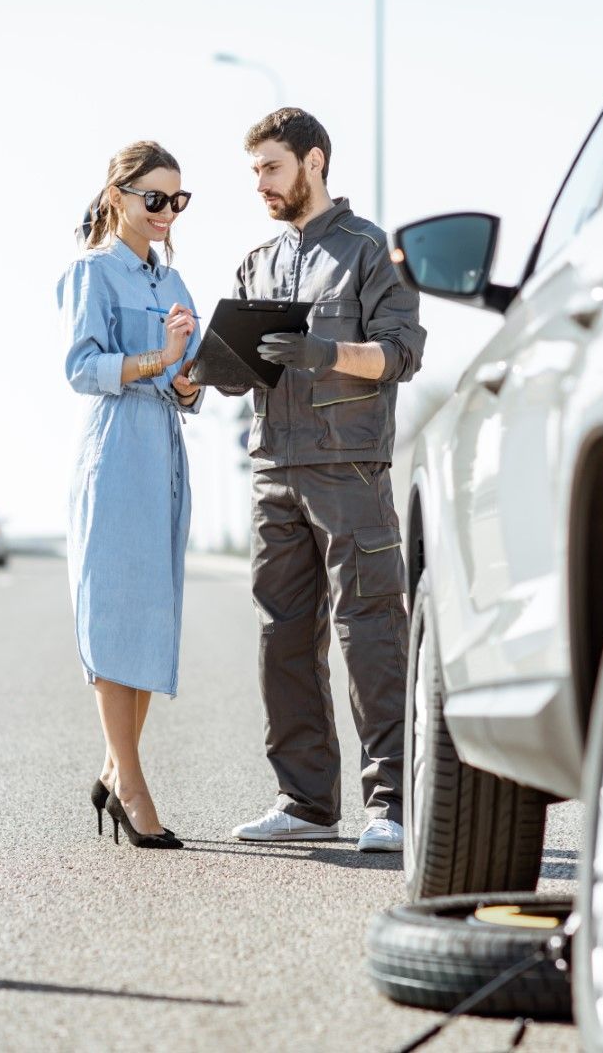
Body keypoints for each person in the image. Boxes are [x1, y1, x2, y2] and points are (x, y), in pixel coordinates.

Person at [223, 108, 426, 853]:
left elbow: (400, 354)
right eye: (254, 173)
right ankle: (306, 802)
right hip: (273, 467)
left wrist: (325, 352)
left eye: (271, 168)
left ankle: (397, 804)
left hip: (349, 469)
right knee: (282, 638)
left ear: (314, 162)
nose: (261, 185)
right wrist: (218, 368)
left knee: (370, 630)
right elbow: (244, 366)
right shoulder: (257, 261)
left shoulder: (372, 251)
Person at [62, 140, 202, 850]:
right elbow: (82, 367)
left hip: (165, 454)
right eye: (154, 199)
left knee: (148, 618)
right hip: (116, 452)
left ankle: (115, 771)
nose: (166, 214)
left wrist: (186, 379)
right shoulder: (91, 272)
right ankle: (133, 785)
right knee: (116, 615)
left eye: (177, 201)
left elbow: (191, 381)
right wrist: (160, 360)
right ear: (118, 196)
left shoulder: (173, 283)